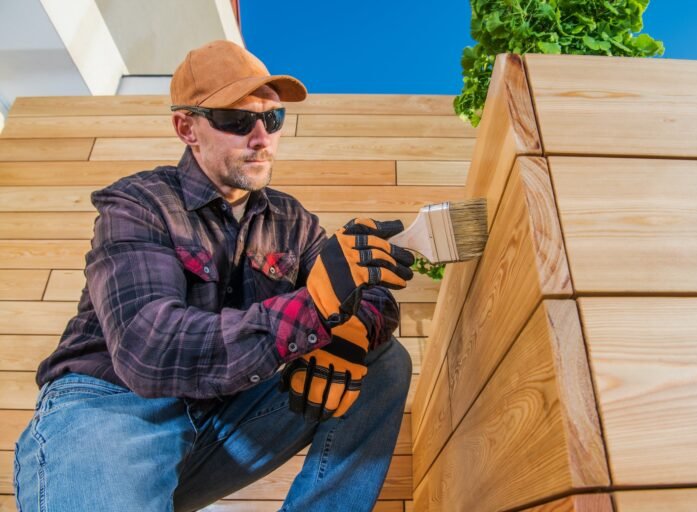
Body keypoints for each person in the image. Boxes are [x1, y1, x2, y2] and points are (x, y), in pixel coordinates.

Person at [14, 40, 415, 512]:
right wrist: (314, 308)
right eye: (236, 120)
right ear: (187, 128)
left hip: (220, 420)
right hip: (111, 407)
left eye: (272, 118)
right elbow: (148, 346)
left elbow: (369, 297)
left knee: (382, 361)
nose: (261, 138)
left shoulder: (292, 221)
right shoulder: (139, 203)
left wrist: (350, 329)